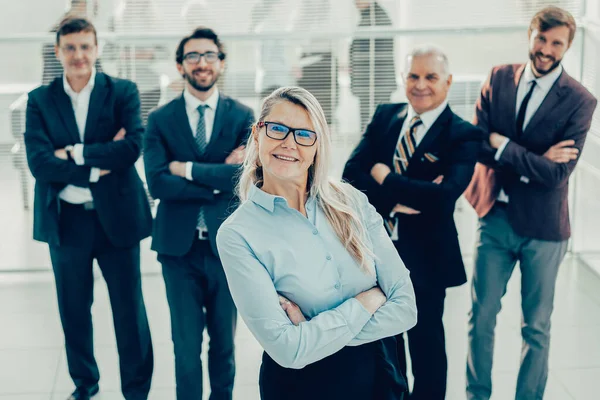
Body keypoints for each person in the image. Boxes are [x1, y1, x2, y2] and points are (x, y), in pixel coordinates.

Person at [216, 86, 417, 400]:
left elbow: (406, 308)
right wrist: (366, 302)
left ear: (317, 146)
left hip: (379, 377)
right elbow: (288, 350)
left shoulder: (351, 202)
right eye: (278, 129)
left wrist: (312, 332)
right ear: (258, 134)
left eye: (304, 134)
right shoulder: (238, 234)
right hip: (301, 388)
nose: (289, 143)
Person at [464, 6, 598, 400]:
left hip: (544, 230)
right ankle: (477, 395)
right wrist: (535, 159)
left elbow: (558, 175)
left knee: (536, 328)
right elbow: (477, 143)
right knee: (481, 318)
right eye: (541, 38)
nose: (546, 49)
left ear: (567, 46)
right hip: (495, 216)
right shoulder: (499, 78)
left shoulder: (580, 100)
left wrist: (503, 145)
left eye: (556, 43)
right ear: (530, 35)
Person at [24, 17, 154, 400]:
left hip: (118, 219)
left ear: (97, 48)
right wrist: (100, 166)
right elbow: (39, 163)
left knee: (129, 312)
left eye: (85, 46)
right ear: (58, 51)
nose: (79, 55)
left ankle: (136, 390)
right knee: (74, 311)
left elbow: (132, 148)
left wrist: (75, 154)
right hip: (67, 223)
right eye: (70, 47)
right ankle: (86, 384)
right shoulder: (40, 100)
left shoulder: (123, 92)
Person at [343, 45, 482, 400]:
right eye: (413, 76)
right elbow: (351, 176)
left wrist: (384, 178)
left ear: (448, 82)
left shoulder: (463, 134)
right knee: (386, 345)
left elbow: (443, 197)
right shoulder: (385, 115)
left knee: (426, 345)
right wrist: (403, 197)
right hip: (378, 252)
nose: (421, 85)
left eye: (430, 77)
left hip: (428, 258)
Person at [143, 27, 254, 400]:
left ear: (221, 63)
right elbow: (157, 184)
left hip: (227, 249)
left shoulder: (243, 116)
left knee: (224, 344)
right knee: (186, 348)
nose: (201, 62)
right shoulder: (159, 119)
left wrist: (186, 169)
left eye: (209, 55)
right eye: (193, 56)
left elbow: (243, 178)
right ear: (180, 66)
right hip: (179, 250)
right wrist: (217, 179)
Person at [350, 0, 396, 130]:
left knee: (374, 125)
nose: (355, 3)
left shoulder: (376, 18)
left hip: (374, 83)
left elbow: (372, 53)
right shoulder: (371, 16)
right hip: (371, 84)